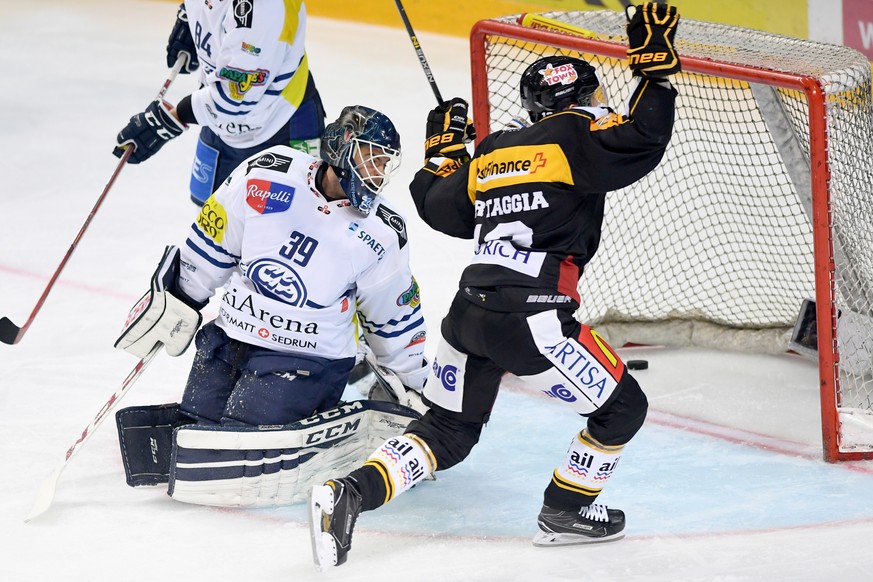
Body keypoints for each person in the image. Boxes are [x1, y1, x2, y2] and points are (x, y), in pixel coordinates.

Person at [308, 2, 681, 570]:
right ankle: (566, 510)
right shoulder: (579, 136)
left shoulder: (494, 152)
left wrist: (442, 156)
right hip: (535, 322)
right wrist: (653, 68)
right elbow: (643, 138)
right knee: (622, 409)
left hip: (467, 319)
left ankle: (349, 494)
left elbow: (439, 209)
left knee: (449, 432)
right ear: (581, 100)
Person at [115, 104, 429, 429]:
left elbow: (393, 314)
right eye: (373, 158)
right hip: (233, 334)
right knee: (197, 422)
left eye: (384, 163)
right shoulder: (267, 173)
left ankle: (348, 386)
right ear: (343, 147)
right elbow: (217, 234)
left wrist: (412, 380)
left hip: (309, 357)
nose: (379, 173)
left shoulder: (382, 230)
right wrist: (183, 295)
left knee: (240, 434)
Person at [112, 1, 326, 206]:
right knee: (208, 223)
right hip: (218, 124)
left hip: (283, 127)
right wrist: (192, 17)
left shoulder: (261, 11)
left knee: (277, 231)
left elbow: (232, 101)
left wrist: (166, 121)